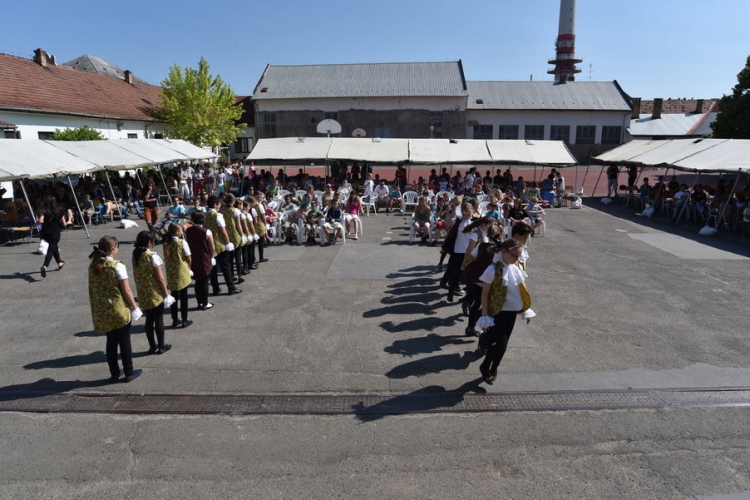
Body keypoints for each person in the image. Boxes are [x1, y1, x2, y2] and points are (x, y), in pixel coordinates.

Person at [475, 238, 535, 384]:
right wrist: (484, 316)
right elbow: (484, 294)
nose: (516, 258)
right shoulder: (492, 270)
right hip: (497, 311)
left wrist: (525, 310)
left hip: (511, 312)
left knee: (504, 344)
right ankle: (485, 366)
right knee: (501, 344)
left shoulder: (517, 268)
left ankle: (494, 367)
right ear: (503, 251)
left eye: (518, 256)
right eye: (513, 255)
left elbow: (519, 292)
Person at [88, 235, 142, 383]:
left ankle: (114, 372)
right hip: (118, 309)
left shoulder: (93, 265)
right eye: (117, 247)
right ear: (112, 249)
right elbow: (126, 290)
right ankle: (129, 371)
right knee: (124, 341)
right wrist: (134, 307)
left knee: (111, 342)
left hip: (102, 310)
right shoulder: (117, 266)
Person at [132, 231, 172, 355]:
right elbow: (160, 278)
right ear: (149, 243)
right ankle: (161, 346)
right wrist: (166, 294)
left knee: (149, 319)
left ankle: (152, 346)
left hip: (143, 292)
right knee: (158, 319)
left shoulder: (135, 255)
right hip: (155, 292)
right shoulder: (153, 257)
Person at [204, 195, 241, 296]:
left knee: (213, 268)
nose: (220, 206)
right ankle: (231, 287)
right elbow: (223, 231)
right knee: (226, 266)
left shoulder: (205, 215)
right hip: (219, 243)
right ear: (215, 205)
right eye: (219, 204)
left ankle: (215, 288)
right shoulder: (218, 215)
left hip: (208, 243)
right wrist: (228, 242)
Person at [163, 223, 193, 329]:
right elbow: (188, 257)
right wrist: (189, 267)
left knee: (174, 297)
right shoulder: (182, 242)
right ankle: (184, 319)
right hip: (182, 271)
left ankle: (175, 320)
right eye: (180, 230)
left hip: (171, 272)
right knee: (184, 297)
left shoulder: (166, 243)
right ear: (177, 232)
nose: (182, 232)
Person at [184, 211, 215, 310]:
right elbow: (212, 247)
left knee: (198, 281)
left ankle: (199, 302)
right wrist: (212, 256)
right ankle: (205, 302)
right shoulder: (206, 231)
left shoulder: (188, 231)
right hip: (205, 258)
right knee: (205, 281)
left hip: (194, 257)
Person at [38, 195, 66, 278]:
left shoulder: (43, 210)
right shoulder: (59, 211)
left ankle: (60, 263)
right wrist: (69, 221)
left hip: (45, 233)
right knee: (51, 249)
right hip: (55, 233)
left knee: (54, 247)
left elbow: (40, 221)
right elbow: (64, 224)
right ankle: (45, 266)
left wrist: (34, 225)